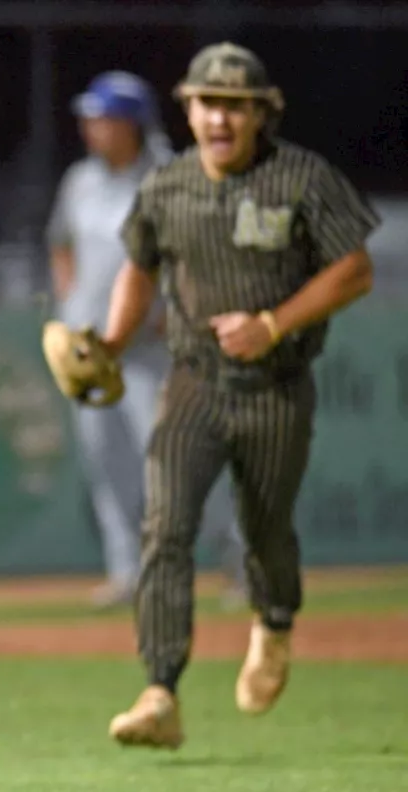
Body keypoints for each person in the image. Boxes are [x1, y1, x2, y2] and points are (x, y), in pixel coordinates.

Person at [100, 43, 378, 749]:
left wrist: (274, 323)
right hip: (192, 382)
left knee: (264, 530)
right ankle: (160, 689)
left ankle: (275, 621)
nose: (220, 118)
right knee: (165, 529)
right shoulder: (166, 187)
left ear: (262, 113)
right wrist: (108, 343)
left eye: (236, 106)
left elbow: (354, 270)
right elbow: (139, 269)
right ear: (187, 110)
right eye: (207, 103)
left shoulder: (301, 178)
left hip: (276, 387)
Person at [47, 71, 246, 611]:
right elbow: (60, 243)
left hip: (154, 351)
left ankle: (240, 563)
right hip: (93, 353)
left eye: (102, 118)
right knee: (106, 465)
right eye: (89, 118)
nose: (91, 128)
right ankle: (126, 573)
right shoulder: (80, 181)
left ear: (131, 124)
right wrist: (68, 304)